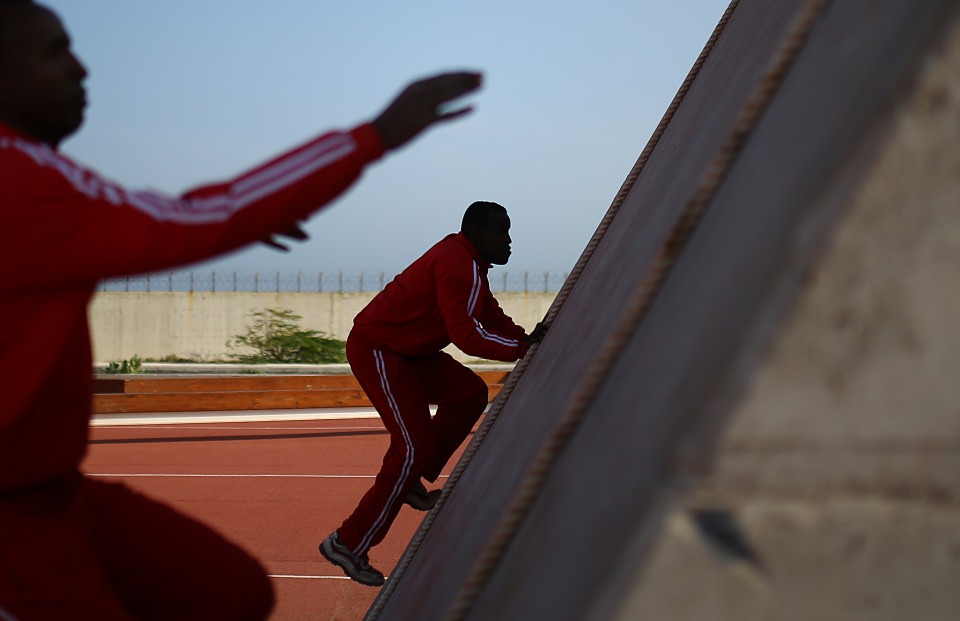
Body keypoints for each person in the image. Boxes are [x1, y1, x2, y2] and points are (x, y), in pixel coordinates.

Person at [0, 1, 483, 619]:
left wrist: (246, 218)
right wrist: (376, 135)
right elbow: (195, 220)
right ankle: (357, 535)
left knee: (230, 590)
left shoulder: (40, 175)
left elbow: (174, 218)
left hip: (48, 494)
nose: (80, 70)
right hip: (11, 511)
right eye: (53, 53)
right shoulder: (20, 177)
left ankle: (387, 503)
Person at [319, 200, 547, 586]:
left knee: (469, 393)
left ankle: (411, 480)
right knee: (411, 448)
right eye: (501, 232)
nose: (509, 242)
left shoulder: (471, 264)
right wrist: (522, 349)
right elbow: (467, 335)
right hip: (381, 350)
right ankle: (347, 543)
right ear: (476, 233)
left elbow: (487, 313)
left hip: (412, 353)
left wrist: (523, 337)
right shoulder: (458, 263)